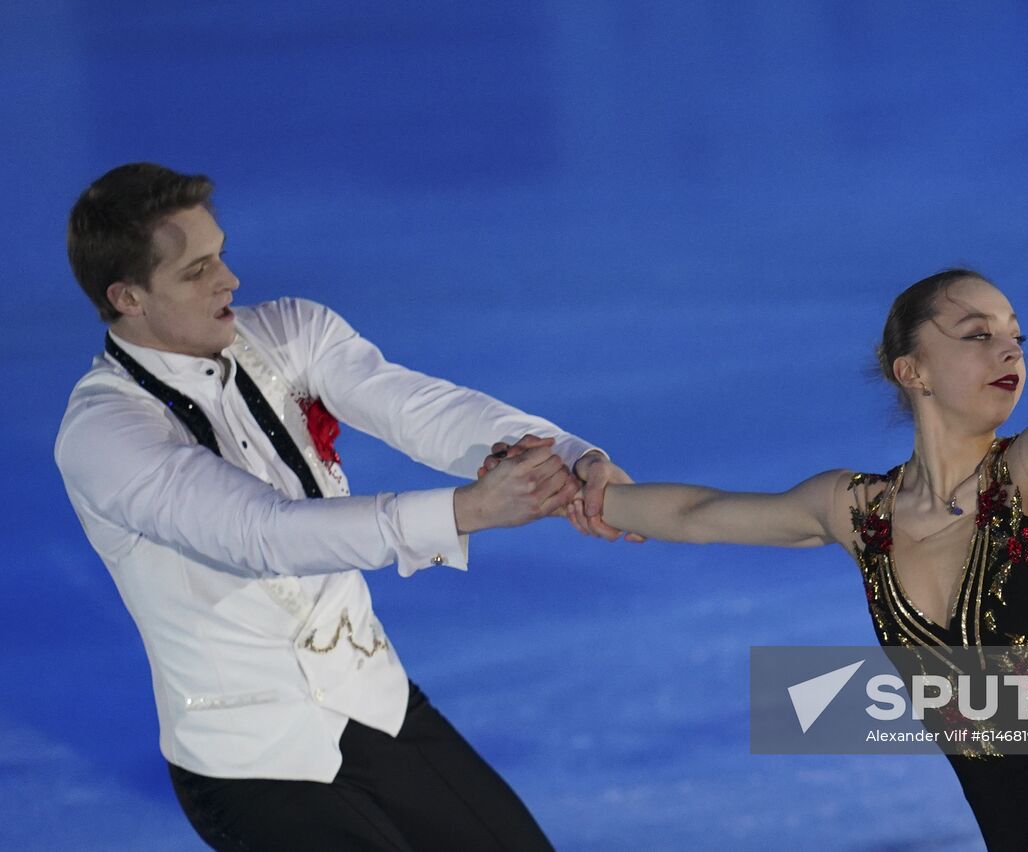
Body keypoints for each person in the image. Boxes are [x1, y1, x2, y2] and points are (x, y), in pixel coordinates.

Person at [552, 72, 1028, 850]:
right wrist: (600, 499)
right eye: (975, 333)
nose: (1008, 346)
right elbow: (699, 515)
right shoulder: (856, 511)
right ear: (910, 371)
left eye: (1015, 333)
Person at [53, 162, 633, 851]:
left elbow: (423, 410)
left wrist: (565, 455)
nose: (229, 281)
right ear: (128, 298)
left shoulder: (291, 333)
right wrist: (469, 511)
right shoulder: (103, 434)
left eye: (223, 254)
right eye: (196, 270)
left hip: (376, 704)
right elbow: (263, 534)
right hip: (249, 761)